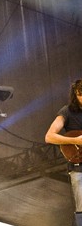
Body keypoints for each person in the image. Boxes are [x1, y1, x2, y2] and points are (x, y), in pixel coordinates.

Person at [45, 79, 82, 213]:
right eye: (80, 94)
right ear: (75, 94)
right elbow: (49, 137)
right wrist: (76, 141)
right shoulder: (67, 112)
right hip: (79, 168)